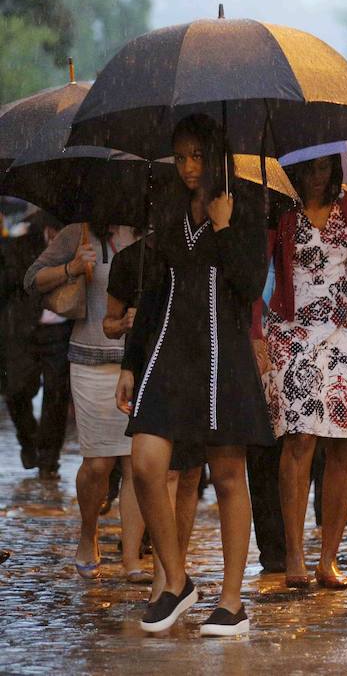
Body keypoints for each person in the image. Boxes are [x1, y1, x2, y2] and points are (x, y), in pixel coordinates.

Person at [116, 114, 272, 636]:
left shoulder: (245, 204)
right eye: (179, 157)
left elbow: (250, 285)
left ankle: (232, 601)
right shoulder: (168, 208)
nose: (187, 167)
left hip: (223, 354)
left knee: (229, 476)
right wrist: (130, 365)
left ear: (216, 156)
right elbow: (153, 292)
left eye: (197, 156)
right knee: (145, 462)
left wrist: (226, 227)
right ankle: (177, 579)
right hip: (169, 352)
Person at [252, 154, 347, 591]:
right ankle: (293, 553)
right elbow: (259, 272)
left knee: (344, 445)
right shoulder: (279, 208)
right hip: (293, 330)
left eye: (326, 166)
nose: (318, 174)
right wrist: (255, 332)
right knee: (299, 440)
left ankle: (328, 557)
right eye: (310, 166)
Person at [25, 216, 145, 582]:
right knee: (97, 465)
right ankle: (88, 533)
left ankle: (131, 559)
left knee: (135, 466)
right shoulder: (79, 232)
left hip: (141, 361)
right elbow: (32, 280)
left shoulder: (150, 231)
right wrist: (71, 267)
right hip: (90, 361)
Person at [104, 229, 205, 601]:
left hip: (200, 364)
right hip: (154, 366)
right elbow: (114, 321)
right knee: (161, 471)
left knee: (191, 473)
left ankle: (175, 570)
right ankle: (165, 579)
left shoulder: (209, 244)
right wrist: (130, 359)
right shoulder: (133, 261)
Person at [0, 209, 71, 479]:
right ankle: (28, 441)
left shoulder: (81, 240)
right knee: (16, 391)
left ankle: (49, 460)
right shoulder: (22, 241)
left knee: (56, 396)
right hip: (23, 331)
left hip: (61, 331)